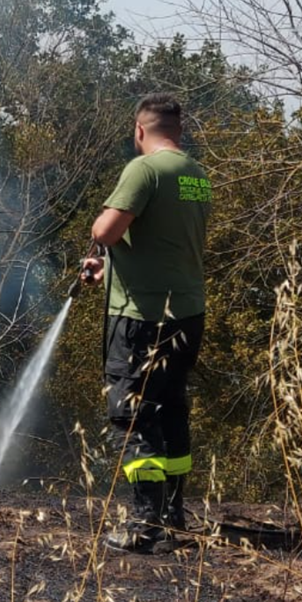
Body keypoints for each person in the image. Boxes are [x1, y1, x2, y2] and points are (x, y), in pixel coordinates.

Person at [82, 93, 211, 552]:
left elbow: (105, 231)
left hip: (143, 318)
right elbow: (163, 241)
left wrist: (102, 244)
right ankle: (173, 518)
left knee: (132, 415)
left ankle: (144, 527)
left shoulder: (144, 169)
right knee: (172, 409)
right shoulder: (196, 175)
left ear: (140, 131)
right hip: (187, 314)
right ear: (179, 130)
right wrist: (111, 266)